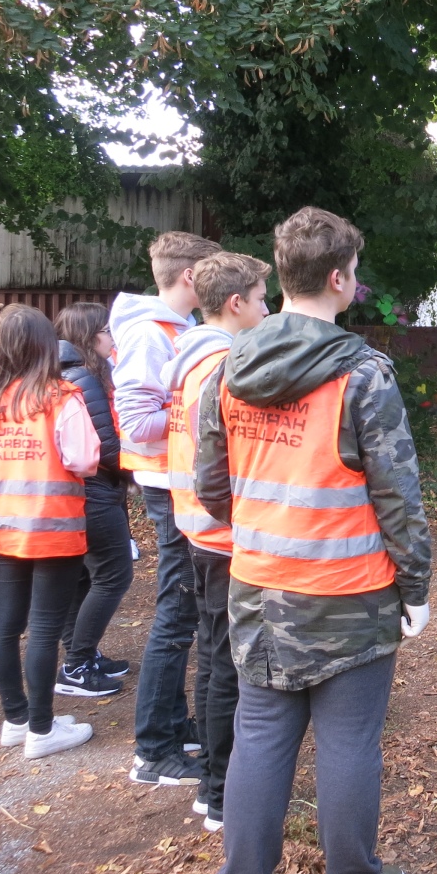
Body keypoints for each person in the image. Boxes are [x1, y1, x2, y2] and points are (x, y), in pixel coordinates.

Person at [195, 208, 431, 874]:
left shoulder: (228, 369)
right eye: (354, 271)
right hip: (351, 595)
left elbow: (211, 487)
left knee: (261, 736)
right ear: (338, 278)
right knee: (350, 742)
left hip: (259, 590)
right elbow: (398, 497)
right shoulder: (363, 376)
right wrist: (416, 587)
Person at [162, 251, 271, 833]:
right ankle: (223, 791)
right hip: (224, 533)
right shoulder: (225, 366)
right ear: (236, 303)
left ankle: (211, 782)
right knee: (229, 664)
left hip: (198, 529)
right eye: (260, 299)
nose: (266, 310)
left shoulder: (189, 359)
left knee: (212, 656)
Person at [111, 231, 221, 786]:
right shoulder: (149, 334)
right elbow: (136, 423)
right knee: (177, 613)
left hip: (179, 482)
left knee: (187, 610)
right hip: (165, 484)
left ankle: (177, 726)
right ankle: (154, 749)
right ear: (191, 277)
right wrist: (203, 416)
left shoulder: (180, 329)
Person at [0, 306, 100, 757]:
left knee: (6, 626)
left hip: (3, 527)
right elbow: (85, 459)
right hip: (53, 527)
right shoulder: (60, 397)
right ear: (47, 348)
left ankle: (16, 719)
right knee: (44, 628)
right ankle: (42, 730)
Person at [54, 302, 133, 697]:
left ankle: (80, 654)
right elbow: (107, 445)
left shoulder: (66, 375)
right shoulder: (84, 378)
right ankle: (77, 665)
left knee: (83, 577)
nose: (112, 338)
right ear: (88, 336)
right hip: (96, 493)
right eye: (106, 330)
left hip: (81, 493)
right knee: (115, 574)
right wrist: (139, 473)